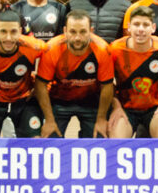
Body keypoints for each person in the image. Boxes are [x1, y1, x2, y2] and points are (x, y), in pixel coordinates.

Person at [35, 10, 114, 138]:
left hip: (91, 102)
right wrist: (49, 120)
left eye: (83, 32)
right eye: (72, 32)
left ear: (91, 31)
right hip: (58, 101)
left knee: (98, 140)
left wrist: (101, 119)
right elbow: (40, 84)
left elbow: (107, 86)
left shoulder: (102, 49)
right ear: (65, 31)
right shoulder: (52, 48)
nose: (77, 37)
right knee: (50, 140)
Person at [0, 10, 47, 137]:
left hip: (23, 98)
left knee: (35, 140)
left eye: (13, 32)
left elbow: (47, 57)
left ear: (21, 32)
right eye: (3, 31)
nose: (8, 38)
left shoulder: (34, 46)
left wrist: (38, 86)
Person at [108, 6, 158, 138]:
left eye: (146, 25)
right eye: (136, 24)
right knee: (115, 146)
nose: (140, 29)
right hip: (124, 108)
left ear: (153, 28)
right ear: (129, 27)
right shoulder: (114, 49)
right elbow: (107, 82)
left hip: (155, 107)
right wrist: (116, 106)